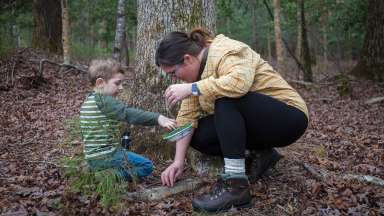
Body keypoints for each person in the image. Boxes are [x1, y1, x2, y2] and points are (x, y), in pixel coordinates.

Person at [155, 29, 309, 212]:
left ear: (188, 59)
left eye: (173, 73)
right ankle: (261, 154)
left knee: (226, 99)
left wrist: (193, 88)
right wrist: (177, 161)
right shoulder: (194, 80)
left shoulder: (227, 50)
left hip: (290, 118)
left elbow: (239, 83)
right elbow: (187, 118)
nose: (174, 79)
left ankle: (236, 186)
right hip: (261, 125)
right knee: (198, 135)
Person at [80, 59, 176, 181]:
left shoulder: (88, 101)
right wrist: (158, 118)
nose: (121, 88)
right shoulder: (103, 100)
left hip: (92, 157)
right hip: (107, 155)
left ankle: (96, 170)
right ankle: (106, 177)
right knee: (147, 166)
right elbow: (127, 113)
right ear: (100, 83)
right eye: (117, 83)